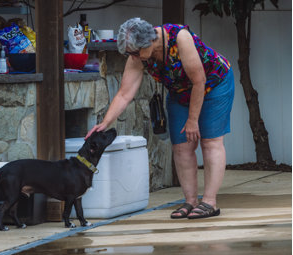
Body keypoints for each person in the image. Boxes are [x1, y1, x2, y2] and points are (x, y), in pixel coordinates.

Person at [86, 18, 234, 219]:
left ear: (149, 42)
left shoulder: (180, 38)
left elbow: (199, 81)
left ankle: (209, 202)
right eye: (130, 54)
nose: (134, 57)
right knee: (181, 146)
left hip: (214, 85)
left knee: (210, 142)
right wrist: (105, 123)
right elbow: (124, 94)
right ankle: (190, 201)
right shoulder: (137, 56)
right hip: (180, 93)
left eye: (136, 52)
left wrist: (192, 120)